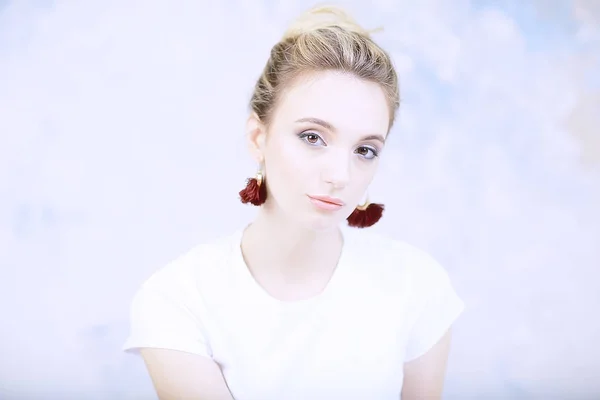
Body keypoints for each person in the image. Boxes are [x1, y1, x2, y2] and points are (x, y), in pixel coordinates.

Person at [123, 5, 465, 400]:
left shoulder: (417, 287)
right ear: (258, 138)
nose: (340, 174)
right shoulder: (178, 300)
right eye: (312, 137)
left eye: (365, 150)